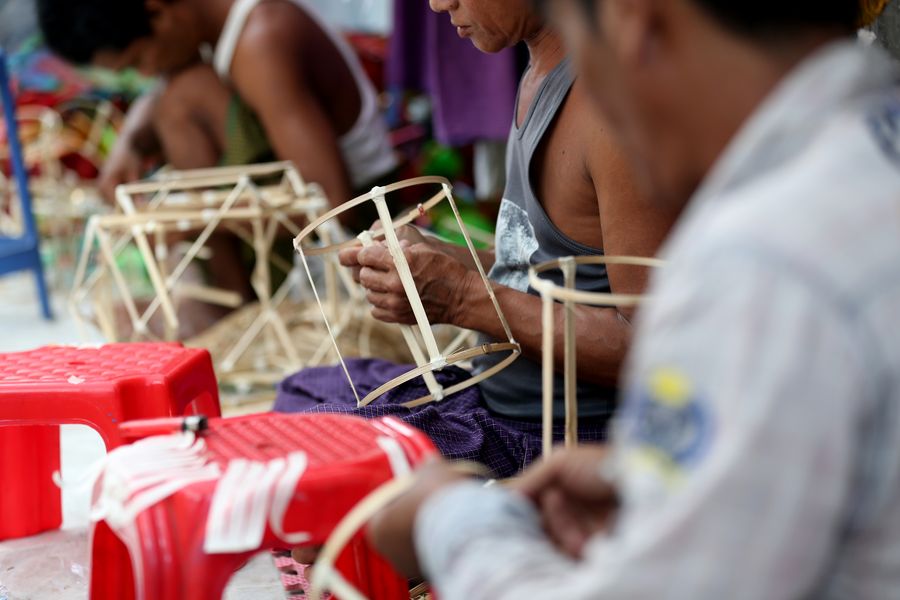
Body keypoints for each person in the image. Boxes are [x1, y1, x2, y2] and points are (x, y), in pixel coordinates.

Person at [366, 0, 900, 597]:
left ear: (635, 23)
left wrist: (452, 518)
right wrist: (639, 480)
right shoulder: (864, 153)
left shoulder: (763, 264)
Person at [274, 0, 678, 479]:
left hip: (553, 440)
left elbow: (654, 347)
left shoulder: (610, 107)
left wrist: (463, 299)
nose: (438, 4)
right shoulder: (541, 73)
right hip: (496, 401)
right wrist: (447, 260)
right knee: (302, 392)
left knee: (308, 451)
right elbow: (544, 267)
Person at [36, 0, 397, 205]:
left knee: (181, 100)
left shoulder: (260, 41)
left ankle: (235, 303)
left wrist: (191, 219)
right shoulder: (210, 26)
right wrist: (129, 143)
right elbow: (156, 92)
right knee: (174, 95)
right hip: (335, 206)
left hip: (366, 211)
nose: (147, 73)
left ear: (158, 12)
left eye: (137, 61)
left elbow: (331, 199)